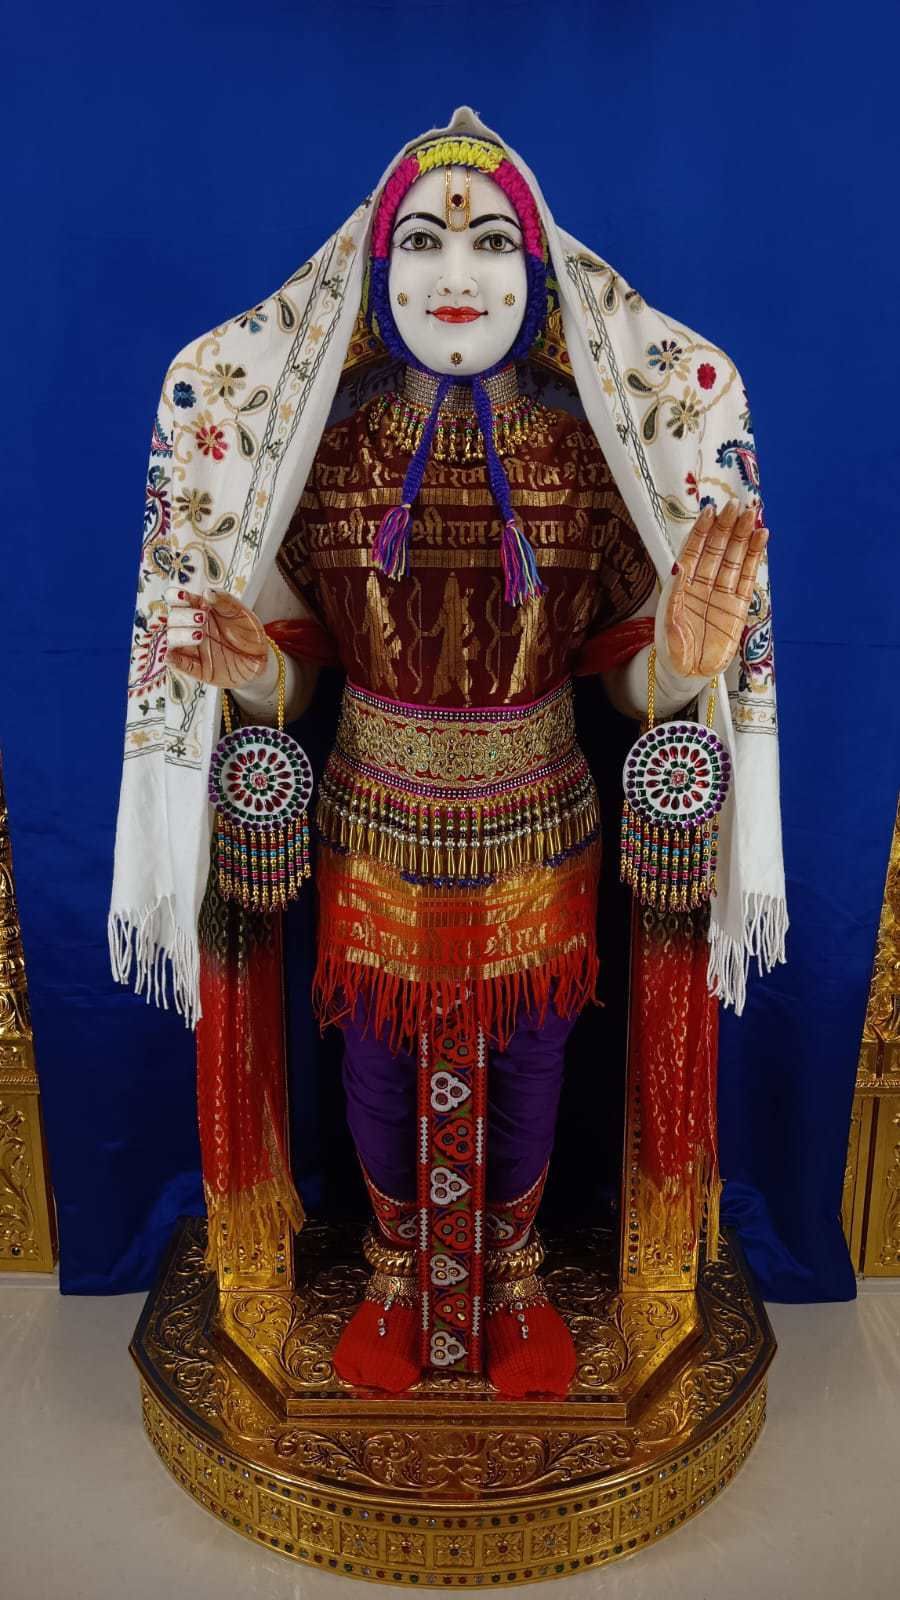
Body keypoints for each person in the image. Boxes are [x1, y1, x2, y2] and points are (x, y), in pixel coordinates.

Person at [111, 108, 784, 1400]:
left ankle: (514, 1273)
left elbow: (629, 680)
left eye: (489, 247)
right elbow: (300, 670)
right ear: (379, 274)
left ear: (538, 276)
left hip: (543, 812)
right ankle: (392, 1269)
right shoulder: (323, 445)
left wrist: (689, 658)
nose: (457, 274)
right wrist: (249, 673)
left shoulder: (593, 443)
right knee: (374, 1056)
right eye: (422, 243)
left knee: (533, 1051)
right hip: (371, 810)